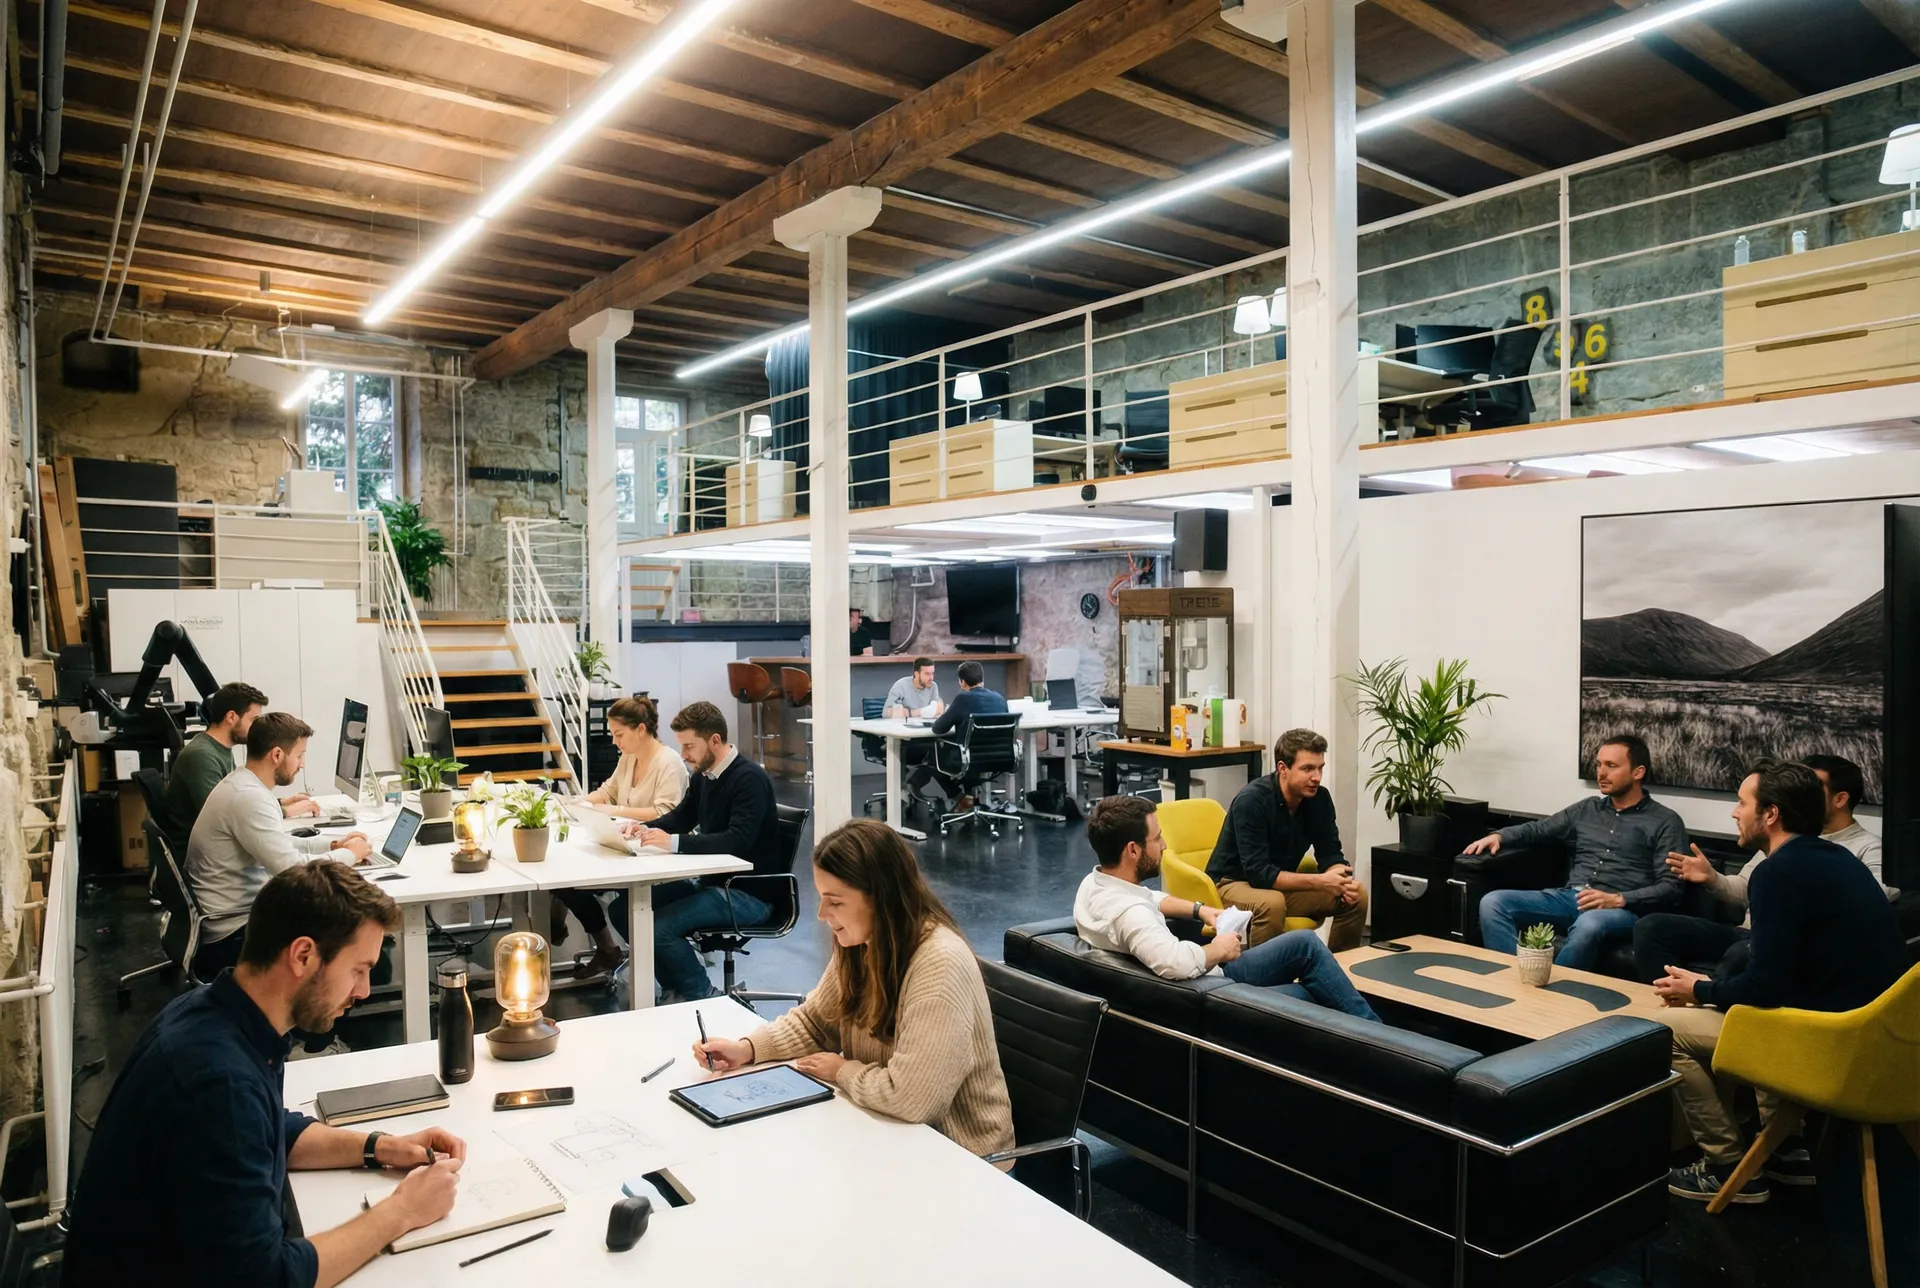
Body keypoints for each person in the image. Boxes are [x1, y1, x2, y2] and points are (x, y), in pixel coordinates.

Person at [62, 862, 465, 1288]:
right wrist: (401, 1211)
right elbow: (267, 1279)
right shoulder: (220, 1085)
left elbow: (275, 1130)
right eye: (358, 969)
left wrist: (382, 1147)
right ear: (303, 955)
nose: (364, 991)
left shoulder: (213, 1010)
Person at [1653, 761, 1907, 1205]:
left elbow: (1764, 989)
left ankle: (1728, 1166)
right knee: (1755, 1010)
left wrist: (1699, 989)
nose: (1735, 812)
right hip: (1882, 1047)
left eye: (1742, 803)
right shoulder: (1837, 860)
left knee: (1666, 1032)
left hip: (1833, 1051)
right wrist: (1712, 986)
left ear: (1770, 814)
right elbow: (1786, 977)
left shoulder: (1778, 871)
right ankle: (1787, 1151)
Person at [691, 819, 1015, 1161]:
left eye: (835, 901)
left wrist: (842, 1071)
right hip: (896, 1138)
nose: (820, 914)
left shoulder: (939, 965)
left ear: (881, 897)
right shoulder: (864, 942)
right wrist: (748, 1049)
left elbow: (913, 1099)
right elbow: (817, 1022)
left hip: (965, 1161)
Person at [1074, 796, 1379, 1019]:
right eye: (1157, 838)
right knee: (1314, 990)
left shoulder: (1095, 885)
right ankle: (1383, 1039)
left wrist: (1200, 910)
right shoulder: (1131, 916)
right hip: (1211, 989)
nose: (1164, 845)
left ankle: (1371, 1030)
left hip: (1207, 977)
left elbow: (1148, 897)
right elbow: (1174, 961)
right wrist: (1218, 949)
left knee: (1306, 946)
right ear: (1132, 850)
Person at [1632, 753, 1894, 984]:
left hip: (1787, 953)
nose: (1734, 813)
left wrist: (1705, 990)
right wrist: (1712, 878)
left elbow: (1876, 898)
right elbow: (1746, 889)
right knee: (1653, 927)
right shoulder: (1783, 849)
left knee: (1742, 954)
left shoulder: (1854, 850)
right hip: (1749, 935)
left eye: (1810, 787)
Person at [1468, 734, 1684, 971]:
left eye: (1611, 766)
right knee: (1493, 902)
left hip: (1621, 908)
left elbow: (1671, 887)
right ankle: (1515, 979)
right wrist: (1499, 836)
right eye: (1599, 764)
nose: (1601, 773)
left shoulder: (1665, 821)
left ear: (1638, 772)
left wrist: (1619, 899)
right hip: (1570, 898)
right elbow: (1539, 829)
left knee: (1589, 923)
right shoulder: (1587, 809)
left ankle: (1556, 995)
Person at [188, 713, 373, 980]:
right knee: (346, 931)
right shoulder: (249, 798)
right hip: (234, 934)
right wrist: (350, 855)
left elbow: (279, 843)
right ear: (276, 755)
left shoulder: (244, 784)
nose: (301, 765)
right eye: (299, 755)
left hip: (234, 917)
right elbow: (292, 872)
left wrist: (331, 844)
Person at [622, 701, 781, 1002]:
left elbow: (737, 842)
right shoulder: (703, 775)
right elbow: (682, 817)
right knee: (625, 910)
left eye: (689, 747)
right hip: (714, 884)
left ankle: (704, 994)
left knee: (656, 927)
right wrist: (642, 827)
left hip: (750, 894)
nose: (684, 756)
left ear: (715, 741)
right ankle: (678, 987)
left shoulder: (750, 779)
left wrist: (673, 843)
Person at [555, 696, 688, 979]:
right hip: (625, 846)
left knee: (573, 885)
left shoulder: (669, 763)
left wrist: (611, 809)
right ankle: (606, 949)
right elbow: (607, 791)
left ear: (641, 729)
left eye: (619, 734)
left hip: (656, 855)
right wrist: (578, 803)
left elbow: (665, 812)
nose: (615, 742)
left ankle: (604, 949)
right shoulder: (629, 757)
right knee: (565, 882)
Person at [1203, 729, 1369, 952]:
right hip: (1230, 884)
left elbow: (1330, 852)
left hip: (1278, 885)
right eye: (1307, 768)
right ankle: (1259, 979)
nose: (1317, 777)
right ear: (1283, 768)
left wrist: (1340, 878)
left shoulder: (1319, 799)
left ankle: (1338, 970)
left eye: (1320, 768)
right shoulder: (1252, 801)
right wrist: (1322, 881)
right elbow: (1259, 873)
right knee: (1271, 904)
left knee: (1356, 895)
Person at [160, 681, 316, 854]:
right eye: (253, 720)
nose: (258, 727)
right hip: (203, 856)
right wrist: (286, 811)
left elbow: (234, 804)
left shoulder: (220, 749)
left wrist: (280, 803)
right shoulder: (201, 756)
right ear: (232, 717)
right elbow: (224, 815)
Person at [925, 659, 1009, 808]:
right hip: (999, 758)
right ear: (982, 679)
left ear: (962, 682)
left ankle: (960, 797)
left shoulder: (962, 698)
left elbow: (938, 729)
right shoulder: (999, 698)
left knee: (932, 756)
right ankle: (971, 797)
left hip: (970, 759)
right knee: (971, 752)